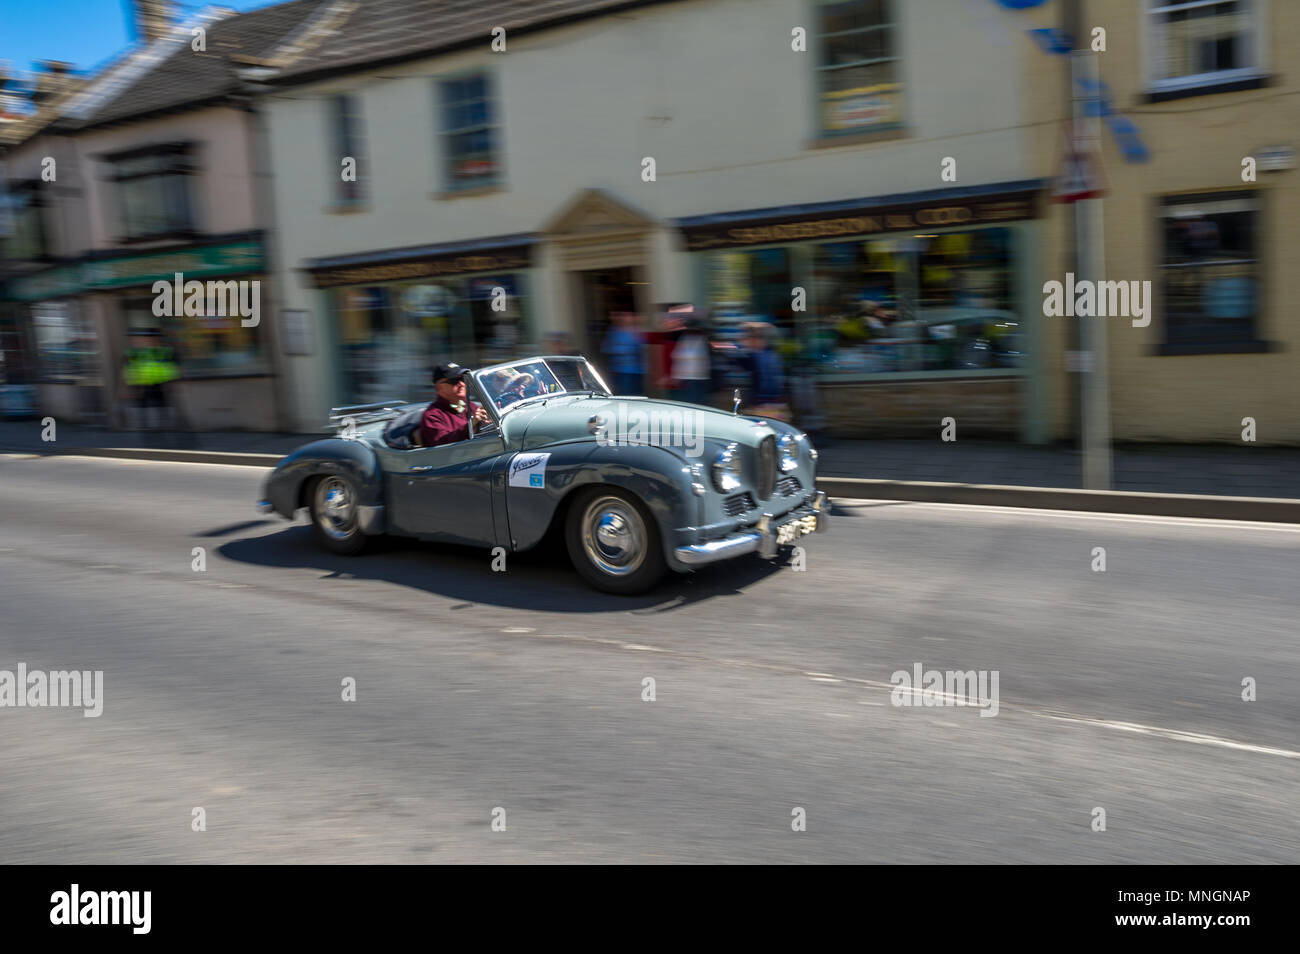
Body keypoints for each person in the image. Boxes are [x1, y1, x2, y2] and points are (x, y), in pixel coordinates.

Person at [420, 362, 490, 447]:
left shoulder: (471, 406)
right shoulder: (432, 416)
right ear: (439, 387)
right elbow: (442, 445)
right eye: (454, 381)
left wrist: (489, 422)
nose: (461, 384)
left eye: (463, 379)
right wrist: (471, 425)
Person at [738, 321, 789, 420]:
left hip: (763, 404)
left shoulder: (756, 356)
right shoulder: (773, 354)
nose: (745, 341)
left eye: (749, 338)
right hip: (773, 402)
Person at [669, 307, 712, 406]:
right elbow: (679, 356)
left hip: (693, 378)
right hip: (696, 378)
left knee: (693, 405)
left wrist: (676, 376)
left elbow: (680, 357)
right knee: (696, 404)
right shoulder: (698, 338)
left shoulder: (690, 338)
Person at [602, 311, 645, 395]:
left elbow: (643, 347)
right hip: (621, 371)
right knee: (626, 394)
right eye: (625, 316)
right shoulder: (614, 331)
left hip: (638, 371)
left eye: (630, 316)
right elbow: (606, 348)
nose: (627, 318)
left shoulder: (638, 330)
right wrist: (626, 350)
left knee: (638, 394)